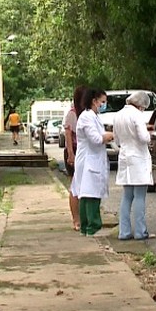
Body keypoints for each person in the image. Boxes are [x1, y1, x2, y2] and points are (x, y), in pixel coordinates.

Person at [70, 88, 114, 236]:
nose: (104, 105)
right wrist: (108, 136)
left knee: (88, 192)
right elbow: (95, 139)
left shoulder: (93, 116)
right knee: (90, 194)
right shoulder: (87, 117)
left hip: (92, 158)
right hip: (88, 159)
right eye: (102, 102)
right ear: (94, 101)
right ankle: (91, 227)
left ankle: (87, 227)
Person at [113, 90, 155, 240]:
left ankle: (123, 232)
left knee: (127, 196)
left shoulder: (118, 115)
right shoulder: (137, 115)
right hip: (138, 158)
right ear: (141, 105)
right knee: (139, 196)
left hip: (124, 157)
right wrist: (150, 135)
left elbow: (116, 140)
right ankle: (140, 231)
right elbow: (144, 138)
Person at [63, 85, 86, 231]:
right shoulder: (72, 113)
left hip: (85, 152)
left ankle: (84, 217)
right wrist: (71, 154)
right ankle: (76, 219)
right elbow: (68, 135)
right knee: (75, 186)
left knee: (86, 186)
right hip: (75, 150)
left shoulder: (88, 113)